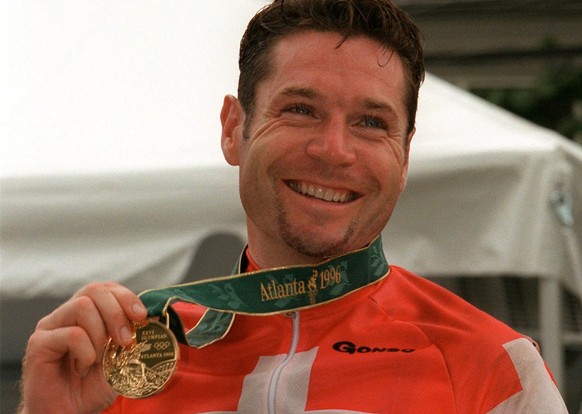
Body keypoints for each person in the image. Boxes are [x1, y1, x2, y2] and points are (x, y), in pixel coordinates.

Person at [18, 1, 568, 413]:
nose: (333, 150)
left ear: (404, 157)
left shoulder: (493, 365)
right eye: (301, 109)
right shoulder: (124, 362)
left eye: (372, 122)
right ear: (235, 129)